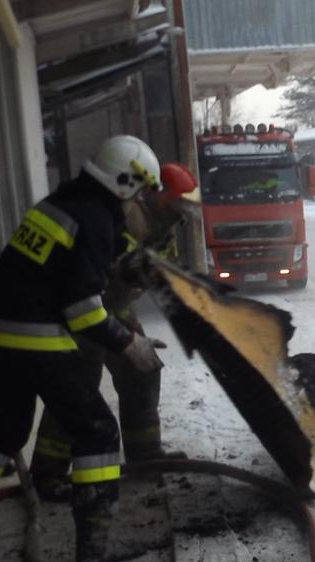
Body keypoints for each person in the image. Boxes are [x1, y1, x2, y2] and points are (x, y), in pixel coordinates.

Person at [0, 135, 164, 562]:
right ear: (125, 182)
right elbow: (82, 310)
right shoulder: (94, 216)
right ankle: (95, 546)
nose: (141, 198)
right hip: (35, 333)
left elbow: (72, 267)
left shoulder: (59, 204)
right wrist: (129, 342)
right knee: (96, 429)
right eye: (140, 189)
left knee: (3, 430)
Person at [27, 161, 198, 504]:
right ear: (158, 193)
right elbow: (101, 269)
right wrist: (131, 274)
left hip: (116, 306)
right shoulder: (126, 216)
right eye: (179, 199)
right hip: (86, 310)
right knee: (79, 388)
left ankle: (145, 454)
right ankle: (47, 474)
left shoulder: (167, 223)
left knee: (144, 369)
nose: (184, 208)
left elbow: (164, 268)